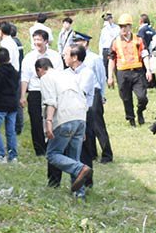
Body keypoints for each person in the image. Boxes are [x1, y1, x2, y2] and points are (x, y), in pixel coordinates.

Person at [41, 48, 93, 196]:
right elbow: (82, 99)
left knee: (52, 154)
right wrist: (82, 127)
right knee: (74, 158)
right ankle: (79, 195)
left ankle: (80, 169)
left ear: (40, 70)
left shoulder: (46, 78)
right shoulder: (69, 76)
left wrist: (49, 122)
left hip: (65, 119)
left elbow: (50, 101)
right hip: (80, 118)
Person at [21, 28, 65, 187]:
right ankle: (40, 149)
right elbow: (24, 77)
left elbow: (60, 74)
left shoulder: (54, 56)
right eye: (35, 40)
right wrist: (22, 95)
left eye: (40, 40)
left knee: (51, 118)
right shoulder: (29, 57)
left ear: (46, 41)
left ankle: (51, 145)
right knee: (35, 120)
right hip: (35, 90)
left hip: (52, 90)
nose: (37, 43)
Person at [71, 31, 114, 163]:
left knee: (98, 125)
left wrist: (102, 95)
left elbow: (101, 78)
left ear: (84, 43)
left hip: (94, 92)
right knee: (86, 124)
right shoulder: (75, 59)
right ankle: (92, 153)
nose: (75, 44)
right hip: (80, 93)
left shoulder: (94, 58)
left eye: (77, 41)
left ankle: (107, 154)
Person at [68, 38, 102, 195]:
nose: (64, 57)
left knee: (85, 149)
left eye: (67, 54)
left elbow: (79, 94)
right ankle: (76, 179)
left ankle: (87, 181)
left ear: (75, 57)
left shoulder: (87, 73)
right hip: (70, 113)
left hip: (83, 114)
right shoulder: (67, 73)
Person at [108, 14, 150, 126]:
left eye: (124, 26)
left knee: (142, 97)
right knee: (126, 98)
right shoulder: (115, 42)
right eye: (120, 26)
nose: (122, 29)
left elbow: (145, 54)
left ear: (129, 27)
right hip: (122, 73)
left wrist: (149, 70)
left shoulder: (138, 40)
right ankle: (131, 119)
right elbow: (111, 59)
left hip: (137, 72)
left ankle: (140, 111)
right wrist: (110, 76)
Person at [0, 47, 20, 163]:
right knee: (10, 131)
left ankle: (0, 153)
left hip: (1, 105)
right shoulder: (15, 72)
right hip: (13, 104)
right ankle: (13, 155)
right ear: (9, 58)